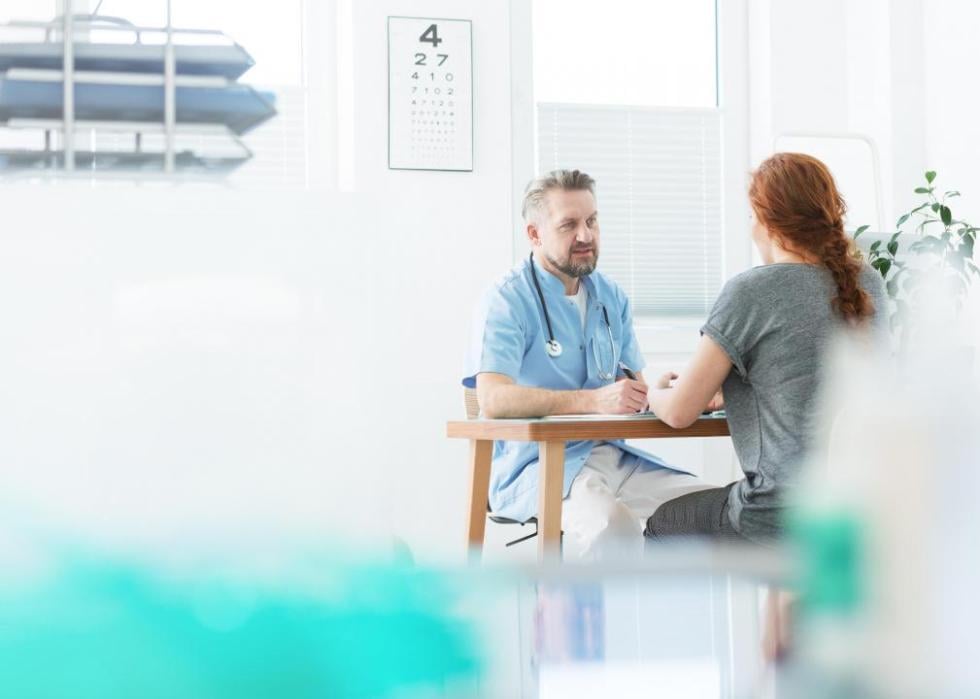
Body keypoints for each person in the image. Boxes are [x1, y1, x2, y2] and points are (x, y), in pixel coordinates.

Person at [463, 169, 712, 559]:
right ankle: (572, 619)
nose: (586, 236)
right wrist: (593, 401)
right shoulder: (506, 300)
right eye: (569, 225)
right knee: (611, 526)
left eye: (592, 221)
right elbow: (492, 400)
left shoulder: (610, 295)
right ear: (534, 234)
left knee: (717, 512)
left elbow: (627, 384)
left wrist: (658, 392)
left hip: (616, 457)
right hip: (541, 466)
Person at [643, 152, 887, 545]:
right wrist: (739, 393)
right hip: (854, 513)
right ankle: (782, 606)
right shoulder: (868, 284)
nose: (751, 228)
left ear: (768, 221)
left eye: (752, 216)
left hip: (775, 515)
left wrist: (655, 392)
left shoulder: (751, 291)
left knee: (662, 524)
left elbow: (678, 412)